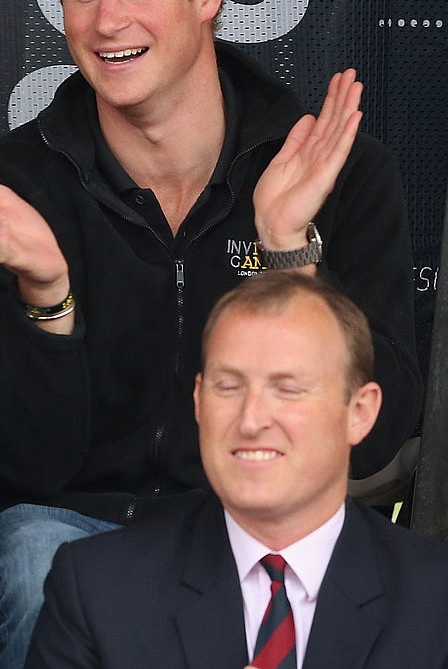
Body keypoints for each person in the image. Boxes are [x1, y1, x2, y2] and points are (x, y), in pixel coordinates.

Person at [0, 0, 419, 669]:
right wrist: (46, 295)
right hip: (72, 524)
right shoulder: (10, 187)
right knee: (30, 554)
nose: (107, 21)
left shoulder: (336, 170)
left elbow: (379, 441)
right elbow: (20, 466)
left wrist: (288, 255)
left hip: (261, 522)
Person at [27, 273, 448, 668]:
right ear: (198, 401)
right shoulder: (98, 588)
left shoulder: (434, 598)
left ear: (360, 412)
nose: (250, 420)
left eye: (287, 389)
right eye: (228, 387)